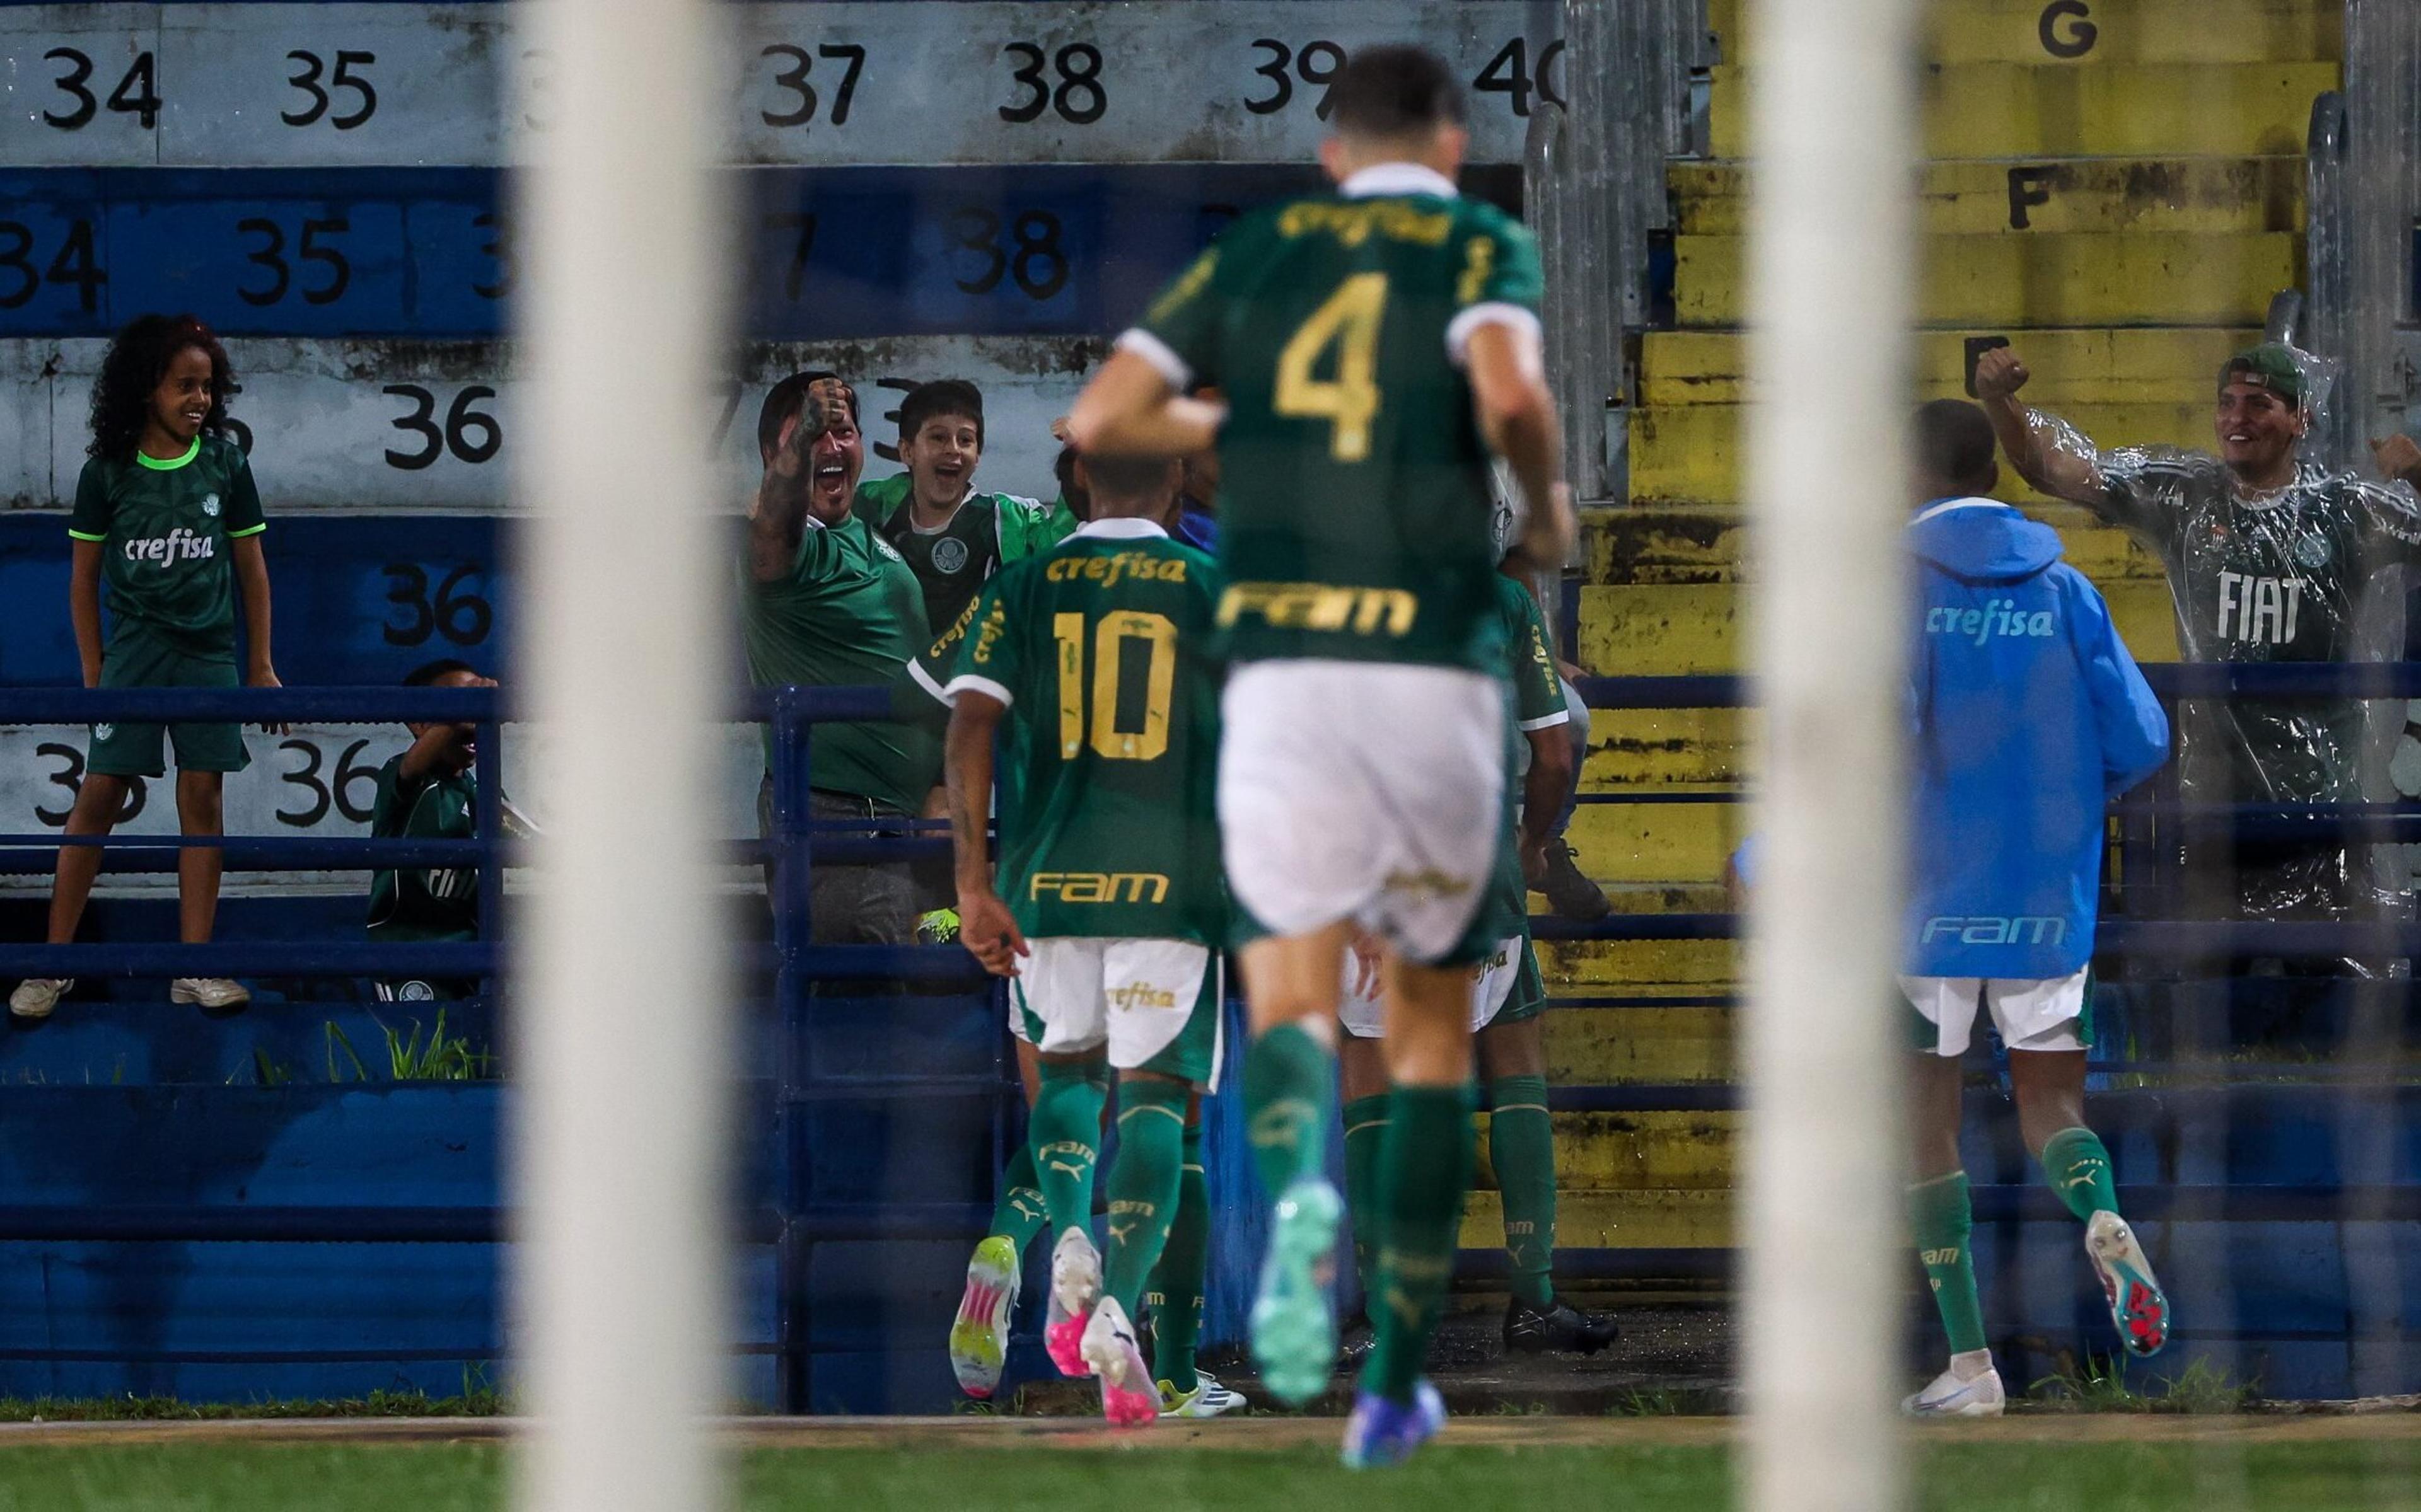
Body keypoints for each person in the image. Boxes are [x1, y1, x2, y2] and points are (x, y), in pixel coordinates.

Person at [1067, 43, 1576, 1467]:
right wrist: (1540, 515)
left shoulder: (1276, 250)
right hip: (1420, 660)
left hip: (1284, 672)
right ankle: (1397, 1376)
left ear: (1330, 152)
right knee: (1423, 1032)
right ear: (1452, 141)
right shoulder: (1476, 242)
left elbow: (1102, 420)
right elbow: (1518, 405)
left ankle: (1300, 1205)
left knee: (1295, 1000)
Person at [928, 451, 1240, 1419]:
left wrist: (973, 881)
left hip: (1046, 878)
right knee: (1157, 1106)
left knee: (1067, 1078)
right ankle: (1117, 1313)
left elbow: (966, 724)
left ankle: (1064, 1236)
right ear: (1178, 473)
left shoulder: (1022, 583)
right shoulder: (1212, 585)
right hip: (1172, 882)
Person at [1899, 400, 2174, 1416]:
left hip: (1924, 897)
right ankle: (2101, 1212)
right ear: (1993, 473)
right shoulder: (2065, 585)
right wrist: (2060, 804)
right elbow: (2143, 736)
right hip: (2045, 894)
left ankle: (1971, 1367)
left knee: (1926, 1122)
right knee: (2054, 1106)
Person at [1975, 342, 2421, 964]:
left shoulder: (2344, 508)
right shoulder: (2185, 495)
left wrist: (2418, 473)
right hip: (2215, 796)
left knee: (2325, 989)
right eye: (2227, 402)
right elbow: (2056, 470)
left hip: (2321, 796)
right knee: (2219, 996)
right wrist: (2001, 402)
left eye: (2259, 403)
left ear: (2301, 419)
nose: (2237, 417)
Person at [1335, 560, 1619, 1357]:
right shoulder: (1501, 599)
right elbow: (1556, 752)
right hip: (1475, 865)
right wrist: (1529, 843)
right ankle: (1532, 1297)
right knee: (1513, 1063)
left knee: (1370, 1075)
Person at [11, 315, 278, 1022]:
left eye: (208, 387)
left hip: (208, 655)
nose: (199, 399)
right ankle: (54, 965)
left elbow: (252, 571)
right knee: (98, 796)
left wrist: (259, 664)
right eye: (184, 385)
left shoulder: (227, 465)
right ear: (145, 388)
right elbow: (82, 582)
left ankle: (194, 968)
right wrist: (95, 670)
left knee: (203, 799)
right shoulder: (107, 473)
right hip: (134, 656)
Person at [740, 372, 943, 946]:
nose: (829, 446)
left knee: (950, 956)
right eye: (810, 436)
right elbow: (773, 529)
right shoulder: (781, 552)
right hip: (839, 833)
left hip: (913, 833)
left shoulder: (867, 537)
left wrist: (941, 785)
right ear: (772, 456)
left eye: (843, 432)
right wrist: (800, 438)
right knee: (871, 998)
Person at [853, 379, 1075, 633]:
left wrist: (1079, 456)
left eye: (966, 440)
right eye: (938, 437)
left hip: (974, 668)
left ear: (978, 455)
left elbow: (1063, 552)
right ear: (907, 451)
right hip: (893, 669)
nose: (954, 450)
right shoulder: (872, 507)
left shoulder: (1006, 519)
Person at [365, 658, 501, 1003]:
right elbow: (412, 766)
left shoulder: (481, 789)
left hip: (469, 948)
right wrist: (463, 707)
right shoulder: (403, 776)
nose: (469, 718)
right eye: (456, 704)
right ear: (418, 724)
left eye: (476, 707)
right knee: (420, 1048)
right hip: (408, 951)